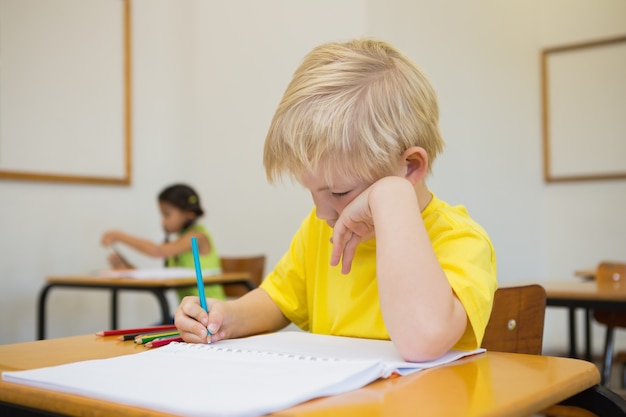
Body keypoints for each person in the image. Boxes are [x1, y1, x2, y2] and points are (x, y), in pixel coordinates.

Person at [175, 38, 497, 362]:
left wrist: (391, 195)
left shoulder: (460, 240)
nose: (321, 212)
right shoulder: (319, 231)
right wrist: (224, 318)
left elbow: (421, 340)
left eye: (339, 193)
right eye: (312, 192)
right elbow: (277, 300)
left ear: (410, 167)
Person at [101, 184, 225, 301]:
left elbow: (157, 251)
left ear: (189, 214)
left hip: (211, 314)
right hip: (191, 316)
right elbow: (161, 279)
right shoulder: (177, 246)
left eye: (166, 214)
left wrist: (119, 236)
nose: (163, 221)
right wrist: (127, 268)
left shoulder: (197, 237)